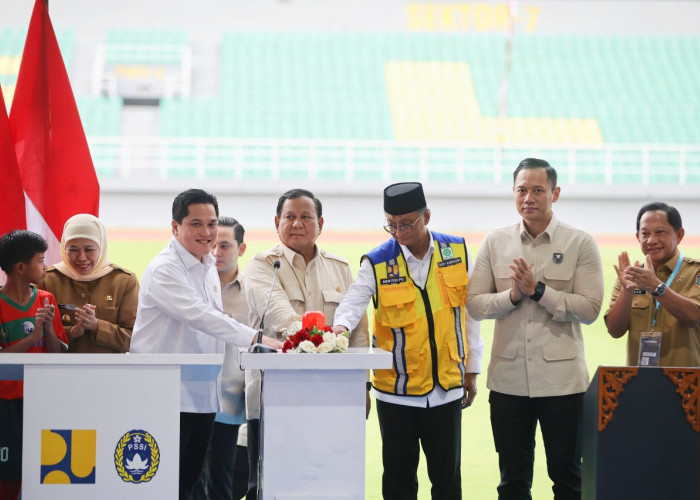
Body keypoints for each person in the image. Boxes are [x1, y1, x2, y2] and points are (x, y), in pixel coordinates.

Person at [332, 181, 483, 500]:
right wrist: (339, 329)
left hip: (446, 387)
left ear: (426, 215)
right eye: (391, 224)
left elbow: (468, 314)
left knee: (447, 480)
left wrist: (472, 368)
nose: (398, 232)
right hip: (396, 392)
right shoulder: (376, 261)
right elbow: (353, 301)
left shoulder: (455, 250)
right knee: (399, 481)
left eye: (406, 224)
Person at [129, 189, 281, 500]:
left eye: (211, 224)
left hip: (201, 396)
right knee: (159, 486)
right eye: (196, 224)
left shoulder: (206, 264)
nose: (206, 232)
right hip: (165, 395)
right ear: (175, 227)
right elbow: (202, 316)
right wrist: (256, 337)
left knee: (188, 484)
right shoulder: (165, 269)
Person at [466, 158, 604, 499]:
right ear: (513, 193)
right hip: (508, 383)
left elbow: (590, 309)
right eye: (522, 190)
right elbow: (474, 303)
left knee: (568, 477)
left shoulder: (579, 243)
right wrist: (512, 296)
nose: (529, 197)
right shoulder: (495, 242)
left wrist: (539, 292)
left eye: (538, 190)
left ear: (555, 193)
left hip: (563, 385)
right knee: (512, 481)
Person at [244, 188, 369, 499]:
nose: (297, 223)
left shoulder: (339, 267)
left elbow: (360, 333)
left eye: (305, 217)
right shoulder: (263, 266)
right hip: (275, 397)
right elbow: (282, 317)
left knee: (329, 481)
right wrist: (324, 340)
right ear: (277, 222)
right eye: (289, 217)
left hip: (334, 398)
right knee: (275, 484)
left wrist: (363, 386)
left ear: (320, 223)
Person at [0, 230, 68, 499]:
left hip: (42, 399)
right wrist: (32, 337)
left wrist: (48, 329)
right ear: (20, 267)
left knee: (45, 470)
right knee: (8, 474)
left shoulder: (46, 300)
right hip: (7, 401)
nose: (46, 266)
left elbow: (58, 353)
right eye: (40, 260)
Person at [193, 216, 250, 499]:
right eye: (213, 244)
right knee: (190, 479)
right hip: (193, 398)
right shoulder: (193, 284)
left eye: (225, 245)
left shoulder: (254, 292)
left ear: (241, 249)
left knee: (222, 483)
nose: (217, 252)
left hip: (231, 403)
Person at [605, 201, 700, 366]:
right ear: (637, 237)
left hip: (686, 385)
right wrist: (627, 292)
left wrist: (656, 287)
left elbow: (693, 317)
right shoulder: (630, 276)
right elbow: (615, 330)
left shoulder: (695, 272)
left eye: (660, 232)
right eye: (645, 234)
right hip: (640, 382)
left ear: (679, 235)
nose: (651, 240)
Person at [42, 213, 138, 353]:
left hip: (109, 372)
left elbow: (135, 340)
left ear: (102, 247)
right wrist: (71, 332)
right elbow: (35, 335)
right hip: (60, 372)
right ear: (63, 248)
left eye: (89, 249)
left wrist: (97, 326)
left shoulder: (123, 281)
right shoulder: (47, 280)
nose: (82, 257)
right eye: (73, 249)